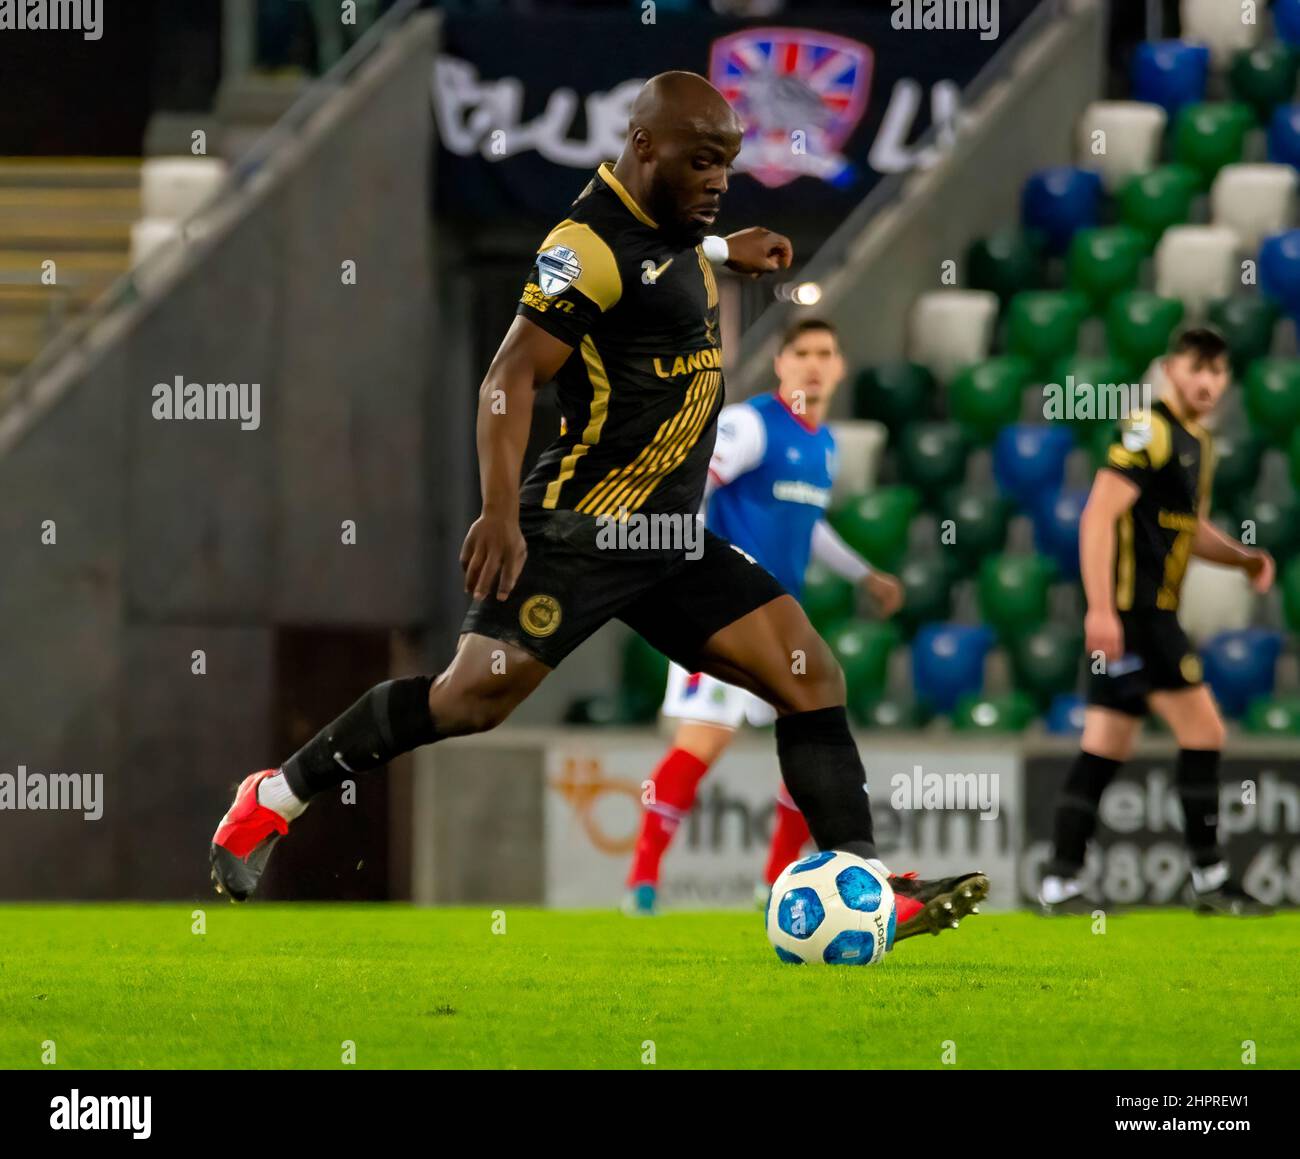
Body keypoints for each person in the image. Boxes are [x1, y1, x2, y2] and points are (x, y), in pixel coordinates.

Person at [211, 70, 987, 941]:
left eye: (727, 167)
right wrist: (498, 510)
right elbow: (510, 376)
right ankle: (273, 796)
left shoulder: (676, 228)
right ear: (644, 148)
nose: (718, 182)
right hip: (581, 524)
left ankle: (866, 877)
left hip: (669, 537)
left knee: (809, 673)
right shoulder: (584, 247)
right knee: (471, 699)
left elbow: (665, 260)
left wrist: (730, 250)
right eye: (702, 163)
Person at [624, 317, 904, 916]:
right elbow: (693, 482)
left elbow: (809, 523)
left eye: (825, 353)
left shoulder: (823, 442)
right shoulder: (750, 423)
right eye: (801, 352)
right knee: (701, 746)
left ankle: (775, 880)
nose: (813, 363)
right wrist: (688, 566)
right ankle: (642, 883)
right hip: (726, 617)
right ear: (781, 364)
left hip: (782, 625)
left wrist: (865, 575)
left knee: (808, 739)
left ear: (840, 367)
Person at [1039, 327, 1275, 916]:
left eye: (1218, 372)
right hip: (1136, 615)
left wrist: (1244, 559)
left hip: (1151, 615)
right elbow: (1097, 516)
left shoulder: (1198, 442)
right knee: (1205, 732)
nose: (1207, 381)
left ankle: (1059, 880)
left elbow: (1189, 530)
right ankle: (1209, 878)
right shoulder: (1149, 429)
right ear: (1171, 369)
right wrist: (1099, 609)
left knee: (1106, 744)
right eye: (1197, 368)